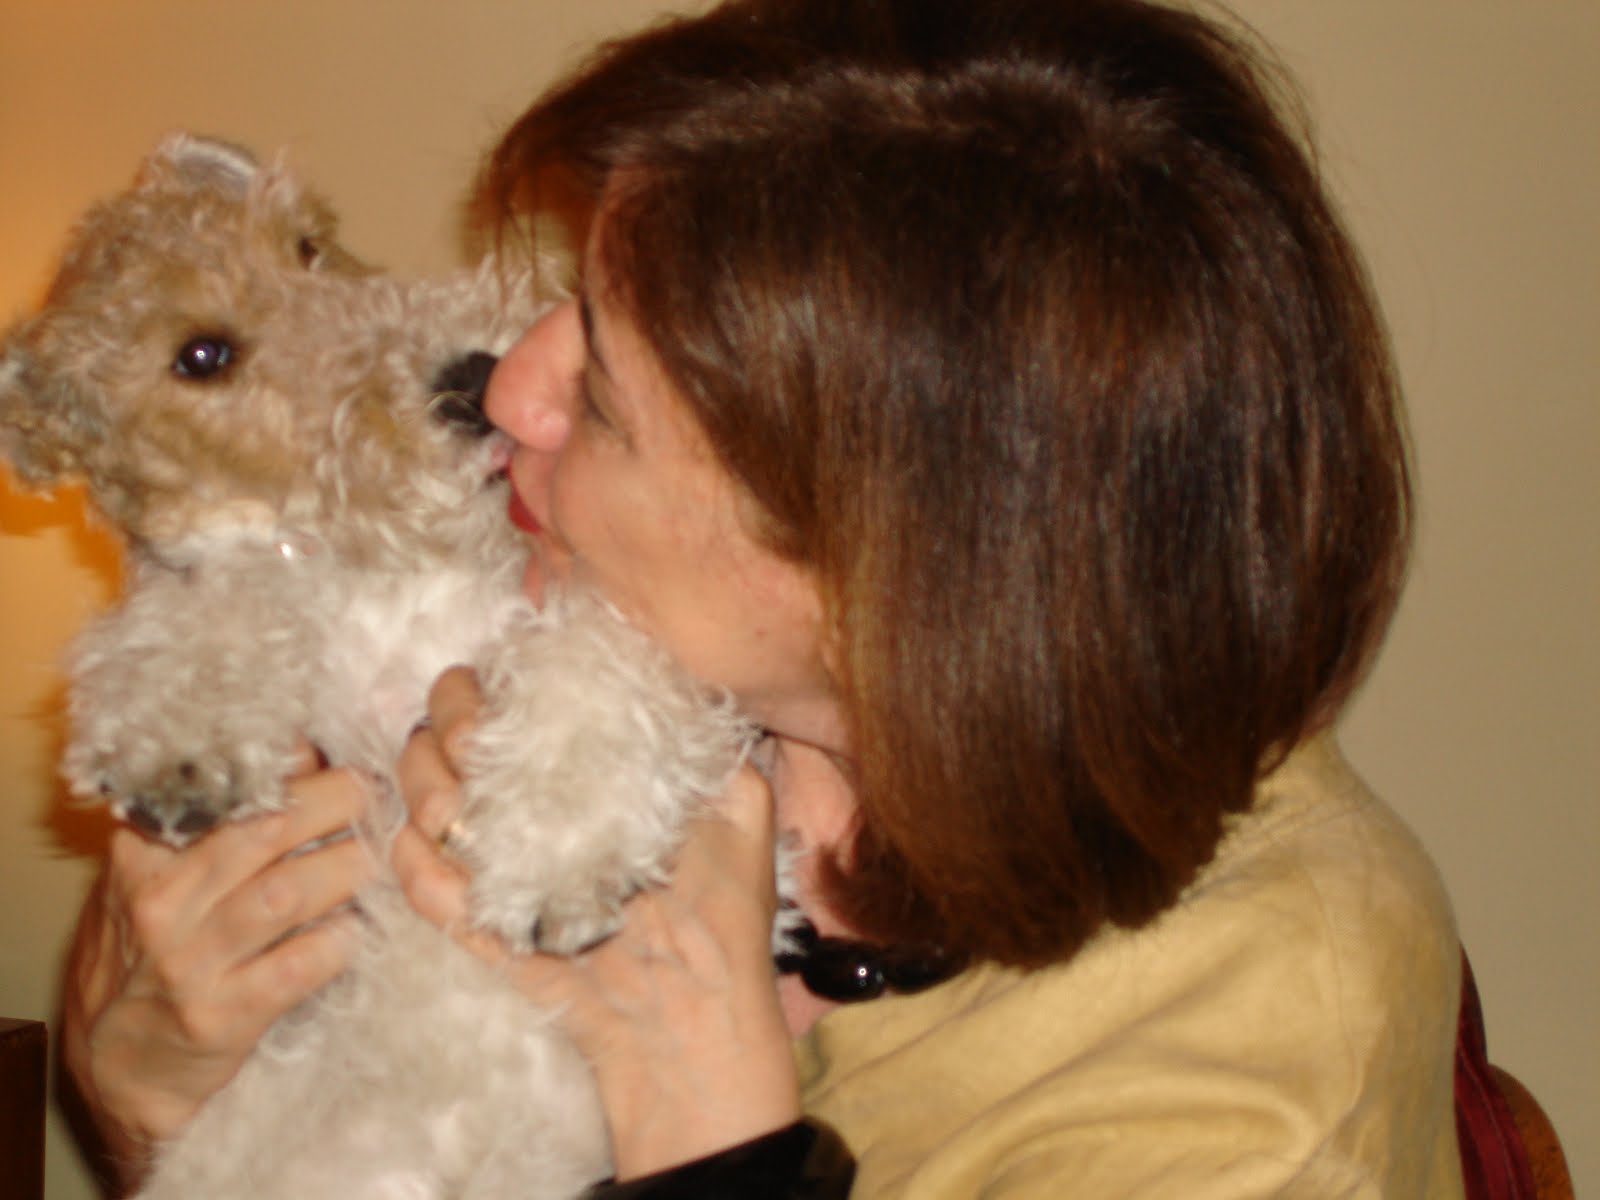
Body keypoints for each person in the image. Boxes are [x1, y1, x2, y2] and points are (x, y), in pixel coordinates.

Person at [59, 0, 1467, 1195]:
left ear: (898, 573)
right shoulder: (531, 633)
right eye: (575, 297)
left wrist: (705, 1130)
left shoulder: (1260, 1077)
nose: (509, 391)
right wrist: (161, 1099)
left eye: (605, 402)